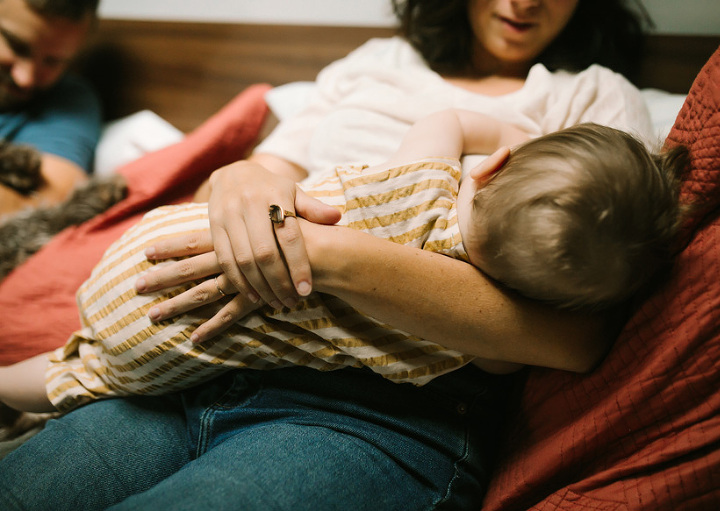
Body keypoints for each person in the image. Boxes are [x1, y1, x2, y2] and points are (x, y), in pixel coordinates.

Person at [0, 1, 659, 509]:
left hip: (382, 410)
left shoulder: (593, 100)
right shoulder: (373, 63)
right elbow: (259, 171)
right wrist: (243, 181)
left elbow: (574, 337)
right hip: (210, 359)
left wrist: (326, 254)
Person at [0, 110, 686, 415]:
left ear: (497, 164)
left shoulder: (425, 172)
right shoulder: (451, 340)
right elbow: (513, 353)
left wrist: (511, 139)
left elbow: (451, 119)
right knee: (78, 372)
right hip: (164, 341)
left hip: (162, 246)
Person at [0, 0, 101, 218]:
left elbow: (44, 205)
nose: (25, 79)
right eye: (16, 46)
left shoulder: (69, 102)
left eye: (52, 62)